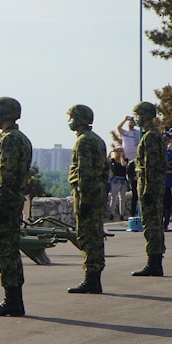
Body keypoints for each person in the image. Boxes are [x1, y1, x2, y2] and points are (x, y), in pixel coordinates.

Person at [0, 97, 32, 315]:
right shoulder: (20, 138)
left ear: (3, 115)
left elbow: (6, 175)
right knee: (9, 248)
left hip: (6, 200)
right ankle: (14, 300)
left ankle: (11, 300)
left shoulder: (10, 140)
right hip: (13, 199)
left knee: (4, 249)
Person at [65, 105, 109, 293]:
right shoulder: (98, 140)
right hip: (97, 193)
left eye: (72, 118)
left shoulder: (83, 142)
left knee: (87, 236)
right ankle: (94, 277)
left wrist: (83, 200)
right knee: (96, 235)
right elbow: (105, 170)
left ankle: (91, 278)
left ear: (79, 119)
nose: (70, 121)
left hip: (87, 195)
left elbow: (84, 173)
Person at [131, 102, 168, 277]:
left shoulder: (150, 136)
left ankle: (154, 263)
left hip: (150, 186)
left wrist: (147, 190)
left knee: (151, 225)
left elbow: (151, 165)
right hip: (152, 185)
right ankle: (155, 261)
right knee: (154, 224)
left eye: (137, 115)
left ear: (144, 115)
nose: (135, 118)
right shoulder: (151, 135)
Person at [117, 115, 140, 216]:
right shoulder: (125, 133)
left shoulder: (137, 133)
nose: (131, 124)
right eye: (129, 122)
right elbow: (118, 128)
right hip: (128, 160)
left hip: (135, 159)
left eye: (132, 122)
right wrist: (124, 119)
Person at [107, 147, 128, 222]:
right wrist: (111, 151)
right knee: (113, 197)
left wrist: (122, 156)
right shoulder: (113, 160)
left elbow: (123, 164)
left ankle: (121, 214)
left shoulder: (125, 160)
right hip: (115, 180)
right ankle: (111, 214)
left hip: (123, 180)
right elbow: (107, 160)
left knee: (122, 198)